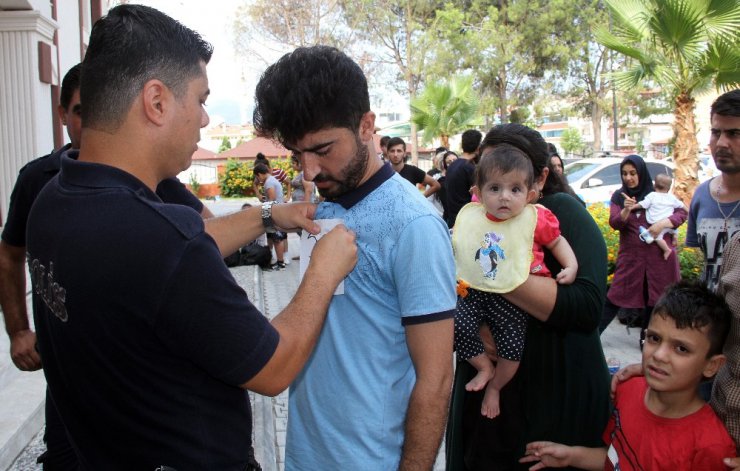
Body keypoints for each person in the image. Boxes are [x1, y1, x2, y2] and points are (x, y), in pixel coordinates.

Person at [25, 6, 357, 469]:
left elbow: (170, 257)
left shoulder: (54, 198)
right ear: (157, 102)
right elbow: (275, 367)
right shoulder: (161, 242)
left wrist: (267, 216)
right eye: (200, 100)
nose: (204, 120)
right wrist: (322, 273)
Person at [0, 63, 216, 469]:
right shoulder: (37, 180)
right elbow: (9, 254)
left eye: (98, 109)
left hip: (133, 376)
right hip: (68, 375)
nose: (90, 122)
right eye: (81, 111)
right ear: (63, 115)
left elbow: (206, 230)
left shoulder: (154, 178)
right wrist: (17, 330)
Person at [253, 45, 457, 470]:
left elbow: (435, 381)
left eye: (323, 149)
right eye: (296, 154)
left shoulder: (413, 227)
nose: (308, 171)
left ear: (367, 126)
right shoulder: (325, 203)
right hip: (305, 454)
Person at [445, 123, 610, 471]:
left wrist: (498, 271)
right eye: (490, 176)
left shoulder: (560, 212)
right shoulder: (474, 219)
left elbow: (587, 305)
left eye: (513, 181)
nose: (501, 192)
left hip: (549, 389)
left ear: (540, 177)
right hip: (491, 391)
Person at [522, 281, 735, 471]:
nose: (659, 355)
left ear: (712, 365)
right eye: (654, 338)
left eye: (681, 349)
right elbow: (616, 456)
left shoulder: (710, 446)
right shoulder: (628, 388)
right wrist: (571, 456)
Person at [453, 144, 578, 419]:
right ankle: (484, 367)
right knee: (456, 325)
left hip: (514, 295)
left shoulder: (536, 217)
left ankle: (495, 386)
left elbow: (557, 241)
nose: (504, 198)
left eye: (515, 190)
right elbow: (458, 240)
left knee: (512, 350)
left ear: (530, 194)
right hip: (474, 291)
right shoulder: (471, 216)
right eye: (494, 189)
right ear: (478, 192)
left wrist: (571, 265)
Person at [598, 155, 687, 334]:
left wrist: (662, 224)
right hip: (631, 259)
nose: (628, 178)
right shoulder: (619, 196)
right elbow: (615, 223)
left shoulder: (656, 195)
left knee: (656, 300)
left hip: (659, 259)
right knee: (615, 296)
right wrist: (626, 209)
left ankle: (647, 338)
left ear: (641, 173)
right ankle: (592, 337)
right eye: (624, 173)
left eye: (633, 173)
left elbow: (681, 213)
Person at [687, 89, 740, 292]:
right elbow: (700, 265)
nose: (721, 143)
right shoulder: (702, 195)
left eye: (734, 133)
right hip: (710, 320)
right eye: (716, 132)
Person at [631, 173, 688, 260]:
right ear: (669, 188)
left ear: (654, 185)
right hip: (670, 225)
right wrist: (690, 212)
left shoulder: (652, 196)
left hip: (656, 226)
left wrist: (633, 206)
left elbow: (642, 204)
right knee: (674, 228)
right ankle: (674, 236)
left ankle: (666, 250)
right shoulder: (672, 198)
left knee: (657, 237)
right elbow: (681, 206)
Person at [446, 129, 482, 228]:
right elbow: (478, 195)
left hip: (453, 219)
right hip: (467, 221)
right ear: (478, 147)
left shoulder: (452, 165)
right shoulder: (470, 167)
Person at [254, 162, 287, 270]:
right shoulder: (271, 180)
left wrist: (265, 212)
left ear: (259, 174)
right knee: (273, 238)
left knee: (277, 239)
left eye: (257, 177)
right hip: (276, 212)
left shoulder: (268, 183)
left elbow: (272, 199)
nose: (258, 180)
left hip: (274, 213)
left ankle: (280, 263)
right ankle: (276, 261)